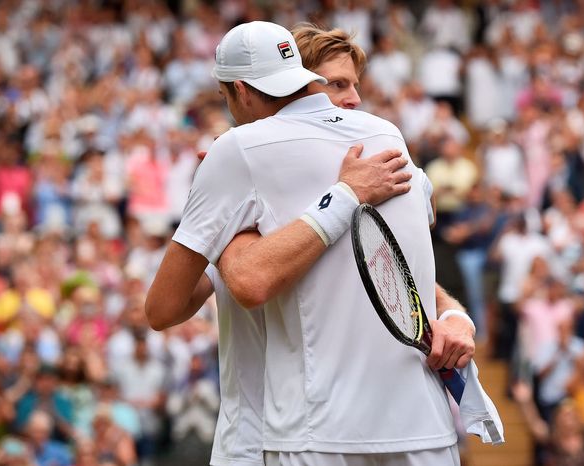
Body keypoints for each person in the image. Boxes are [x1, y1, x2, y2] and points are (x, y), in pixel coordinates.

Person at [146, 21, 476, 466]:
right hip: (269, 437)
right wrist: (228, 211)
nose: (348, 102)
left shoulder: (255, 152)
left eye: (352, 87)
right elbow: (210, 290)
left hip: (318, 435)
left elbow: (392, 275)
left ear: (239, 91)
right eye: (332, 85)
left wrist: (454, 314)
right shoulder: (382, 142)